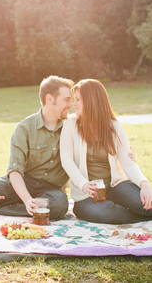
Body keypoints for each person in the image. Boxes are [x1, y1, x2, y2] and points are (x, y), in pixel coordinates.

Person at [0, 76, 73, 221]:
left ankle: (8, 209)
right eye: (66, 100)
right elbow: (15, 170)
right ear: (49, 99)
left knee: (60, 204)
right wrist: (27, 198)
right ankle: (24, 204)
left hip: (50, 190)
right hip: (21, 182)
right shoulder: (24, 128)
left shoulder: (71, 127)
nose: (71, 104)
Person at [60, 79, 152, 224]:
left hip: (115, 186)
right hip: (87, 195)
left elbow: (128, 163)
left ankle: (138, 211)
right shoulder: (70, 124)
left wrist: (144, 184)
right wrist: (83, 183)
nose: (73, 104)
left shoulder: (115, 128)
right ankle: (132, 214)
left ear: (91, 101)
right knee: (111, 214)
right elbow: (66, 159)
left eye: (77, 99)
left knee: (147, 203)